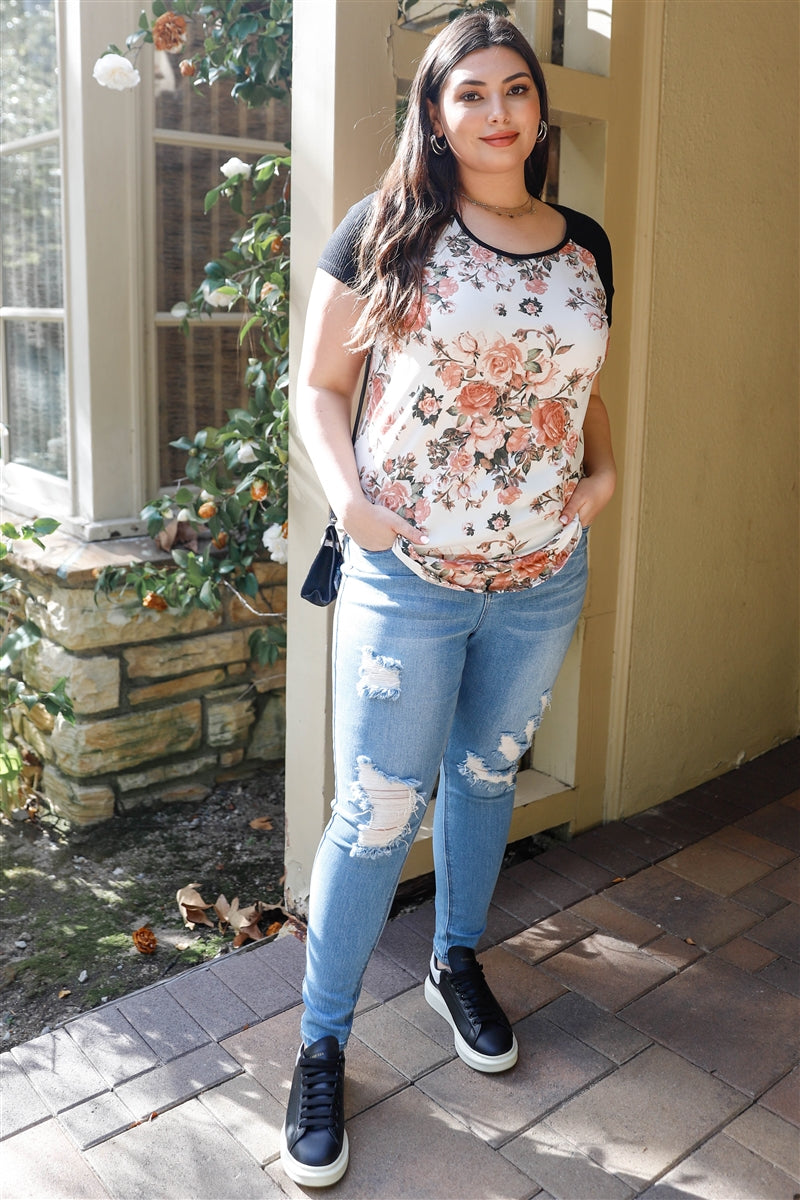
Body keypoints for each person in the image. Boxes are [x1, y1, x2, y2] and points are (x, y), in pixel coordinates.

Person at [281, 9, 616, 1188]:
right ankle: (319, 1044)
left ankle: (455, 961)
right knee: (375, 811)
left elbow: (575, 378)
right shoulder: (387, 230)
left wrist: (605, 468)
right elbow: (318, 385)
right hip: (403, 579)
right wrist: (350, 503)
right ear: (433, 112)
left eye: (512, 89)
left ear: (537, 110)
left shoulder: (583, 244)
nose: (493, 110)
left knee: (485, 779)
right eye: (466, 92)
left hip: (539, 577)